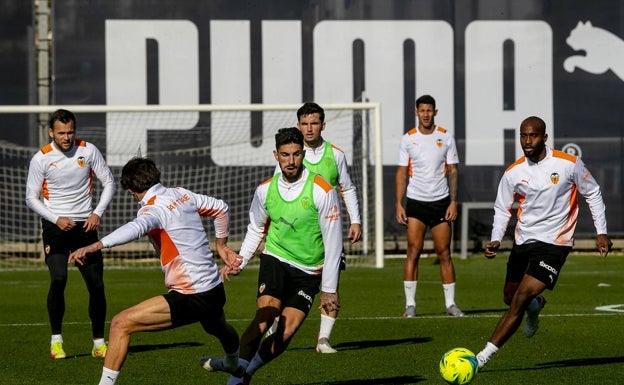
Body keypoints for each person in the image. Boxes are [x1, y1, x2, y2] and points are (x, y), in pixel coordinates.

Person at [68, 158, 242, 385]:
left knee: (121, 324)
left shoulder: (153, 209)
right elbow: (221, 208)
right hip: (214, 289)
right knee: (217, 327)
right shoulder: (182, 194)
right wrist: (222, 245)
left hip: (192, 295)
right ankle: (231, 362)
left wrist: (96, 245)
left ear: (132, 191)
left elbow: (136, 227)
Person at [475, 116, 612, 369]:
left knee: (520, 298)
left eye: (533, 136)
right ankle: (536, 306)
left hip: (555, 243)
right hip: (524, 240)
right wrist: (496, 238)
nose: (527, 141)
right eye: (523, 136)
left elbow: (592, 192)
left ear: (544, 137)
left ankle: (481, 357)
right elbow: (502, 207)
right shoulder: (514, 172)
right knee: (510, 297)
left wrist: (601, 232)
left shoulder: (568, 164)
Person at [217, 127, 343, 385]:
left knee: (286, 333)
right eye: (285, 155)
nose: (291, 161)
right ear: (276, 155)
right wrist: (240, 260)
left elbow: (334, 243)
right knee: (266, 313)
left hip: (308, 271)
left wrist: (329, 290)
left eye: (296, 154)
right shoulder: (265, 190)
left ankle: (248, 372)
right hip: (276, 258)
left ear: (303, 154)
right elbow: (256, 228)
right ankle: (235, 379)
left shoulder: (322, 190)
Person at [268, 102, 361, 353]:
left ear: (323, 125)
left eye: (314, 123)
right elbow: (277, 190)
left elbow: (347, 188)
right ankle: (276, 326)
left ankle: (323, 340)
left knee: (332, 284)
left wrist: (355, 220)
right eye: (305, 124)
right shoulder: (291, 154)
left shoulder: (336, 155)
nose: (309, 129)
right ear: (298, 125)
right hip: (297, 235)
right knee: (288, 285)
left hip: (328, 233)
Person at [25, 109, 115, 359]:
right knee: (58, 279)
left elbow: (109, 182)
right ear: (51, 132)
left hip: (85, 226)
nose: (66, 137)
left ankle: (99, 344)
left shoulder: (88, 151)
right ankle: (56, 342)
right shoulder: (41, 158)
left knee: (96, 285)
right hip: (55, 227)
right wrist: (56, 219)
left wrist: (97, 213)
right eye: (61, 133)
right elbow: (30, 198)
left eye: (70, 132)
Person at [394, 94, 463, 318]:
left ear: (435, 112)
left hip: (441, 202)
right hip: (416, 202)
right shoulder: (408, 139)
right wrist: (398, 203)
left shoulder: (445, 137)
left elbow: (452, 170)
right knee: (413, 251)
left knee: (444, 253)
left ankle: (451, 304)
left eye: (429, 110)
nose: (425, 114)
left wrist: (453, 202)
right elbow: (402, 173)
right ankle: (410, 305)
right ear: (416, 112)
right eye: (421, 110)